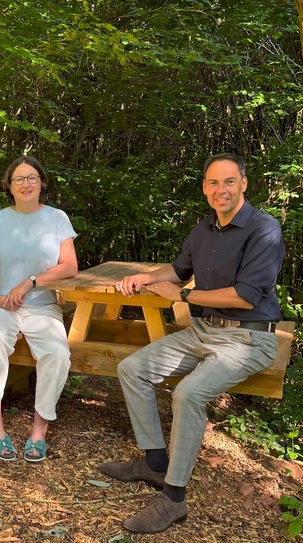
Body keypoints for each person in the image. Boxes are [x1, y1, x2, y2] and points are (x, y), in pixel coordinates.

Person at [99, 153, 284, 533]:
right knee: (132, 368)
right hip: (204, 332)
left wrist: (183, 297)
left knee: (189, 394)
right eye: (213, 183)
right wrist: (146, 278)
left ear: (244, 184)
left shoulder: (265, 229)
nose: (221, 190)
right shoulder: (202, 231)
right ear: (204, 188)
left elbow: (246, 296)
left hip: (249, 337)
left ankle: (173, 500)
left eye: (229, 181)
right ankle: (154, 462)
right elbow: (178, 270)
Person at [0, 156, 78, 462]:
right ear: (9, 186)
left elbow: (70, 266)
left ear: (42, 182)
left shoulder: (57, 218)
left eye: (32, 177)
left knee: (58, 355)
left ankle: (39, 431)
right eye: (19, 179)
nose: (26, 183)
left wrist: (31, 282)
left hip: (42, 306)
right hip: (0, 305)